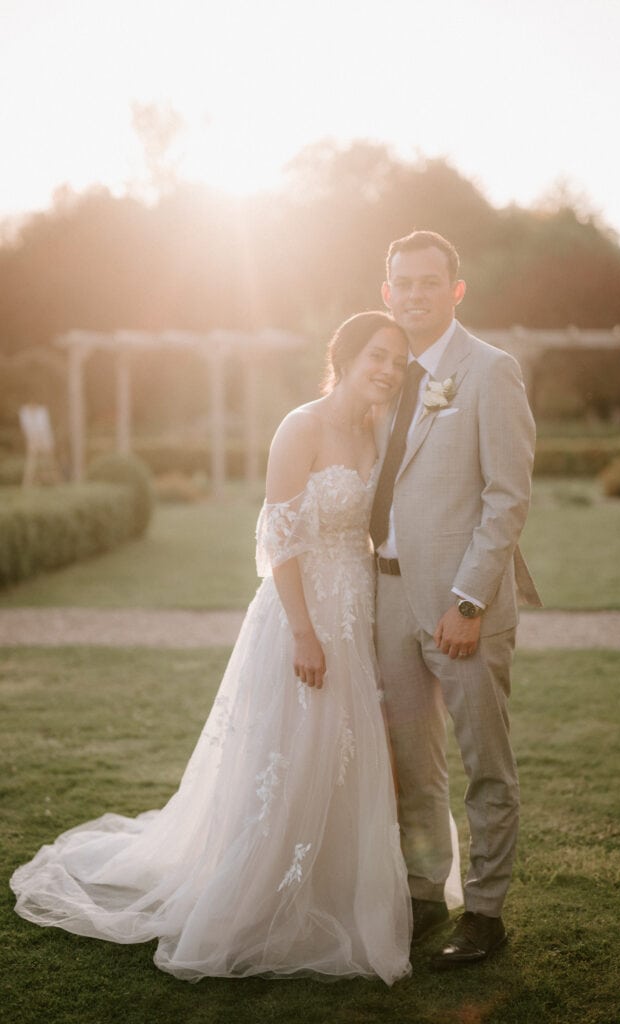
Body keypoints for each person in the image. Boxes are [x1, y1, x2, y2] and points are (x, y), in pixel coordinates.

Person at [11, 311, 456, 985]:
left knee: (347, 752)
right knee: (291, 749)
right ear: (342, 356)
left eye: (397, 360)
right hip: (299, 614)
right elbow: (278, 538)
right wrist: (305, 633)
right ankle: (258, 893)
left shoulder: (376, 430)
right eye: (376, 356)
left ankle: (337, 887)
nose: (388, 370)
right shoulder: (299, 427)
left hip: (358, 609)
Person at [371, 231, 541, 969]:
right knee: (412, 762)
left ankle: (485, 911)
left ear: (455, 290)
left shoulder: (489, 371)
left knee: (485, 764)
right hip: (385, 599)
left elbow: (507, 498)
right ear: (386, 293)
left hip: (459, 604)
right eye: (401, 283)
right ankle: (420, 892)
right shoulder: (383, 372)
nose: (414, 295)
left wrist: (468, 602)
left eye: (428, 283)